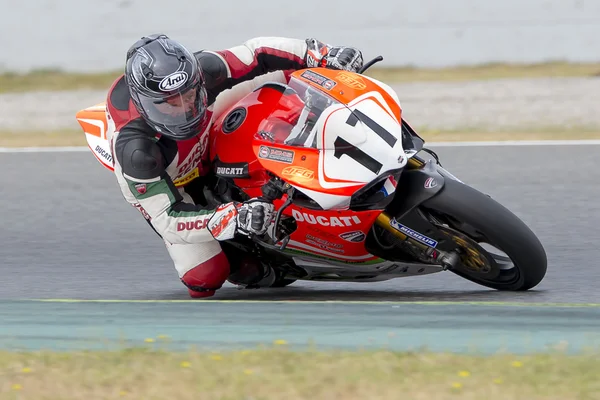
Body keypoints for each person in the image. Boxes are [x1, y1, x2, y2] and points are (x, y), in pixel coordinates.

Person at [105, 33, 364, 298]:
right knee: (205, 278)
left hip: (207, 124)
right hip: (174, 181)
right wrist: (233, 218)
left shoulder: (207, 69)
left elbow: (256, 52)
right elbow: (167, 219)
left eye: (188, 94)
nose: (183, 109)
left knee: (294, 76)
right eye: (169, 104)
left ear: (197, 81)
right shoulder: (136, 151)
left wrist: (321, 54)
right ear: (144, 104)